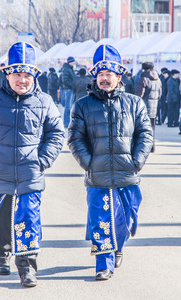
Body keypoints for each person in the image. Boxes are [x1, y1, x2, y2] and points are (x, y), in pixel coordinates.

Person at [0, 42, 65, 288]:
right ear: (7, 75)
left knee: (29, 220)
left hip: (30, 174)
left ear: (34, 76)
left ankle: (27, 267)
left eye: (27, 75)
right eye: (17, 75)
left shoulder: (44, 101)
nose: (22, 80)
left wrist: (42, 160)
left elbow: (56, 133)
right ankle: (1, 257)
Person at [67, 44, 153, 281]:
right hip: (98, 175)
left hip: (128, 173)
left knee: (126, 218)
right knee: (101, 219)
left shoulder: (135, 103)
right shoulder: (82, 105)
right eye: (101, 74)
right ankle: (103, 263)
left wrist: (137, 160)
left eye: (109, 74)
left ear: (118, 76)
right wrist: (89, 162)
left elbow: (145, 134)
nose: (105, 79)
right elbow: (74, 138)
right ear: (96, 76)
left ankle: (118, 246)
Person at [135, 62, 162, 151]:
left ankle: (145, 147)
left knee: (143, 129)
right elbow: (159, 94)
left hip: (144, 107)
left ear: (143, 69)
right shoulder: (158, 79)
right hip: (154, 107)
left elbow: (139, 95)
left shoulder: (144, 79)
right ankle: (152, 147)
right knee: (152, 128)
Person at [60, 56, 77, 127]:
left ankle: (68, 122)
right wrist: (72, 86)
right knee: (68, 107)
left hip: (70, 89)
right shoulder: (66, 69)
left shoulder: (70, 69)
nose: (73, 63)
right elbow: (65, 80)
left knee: (70, 106)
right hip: (68, 89)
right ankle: (66, 122)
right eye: (73, 62)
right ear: (70, 62)